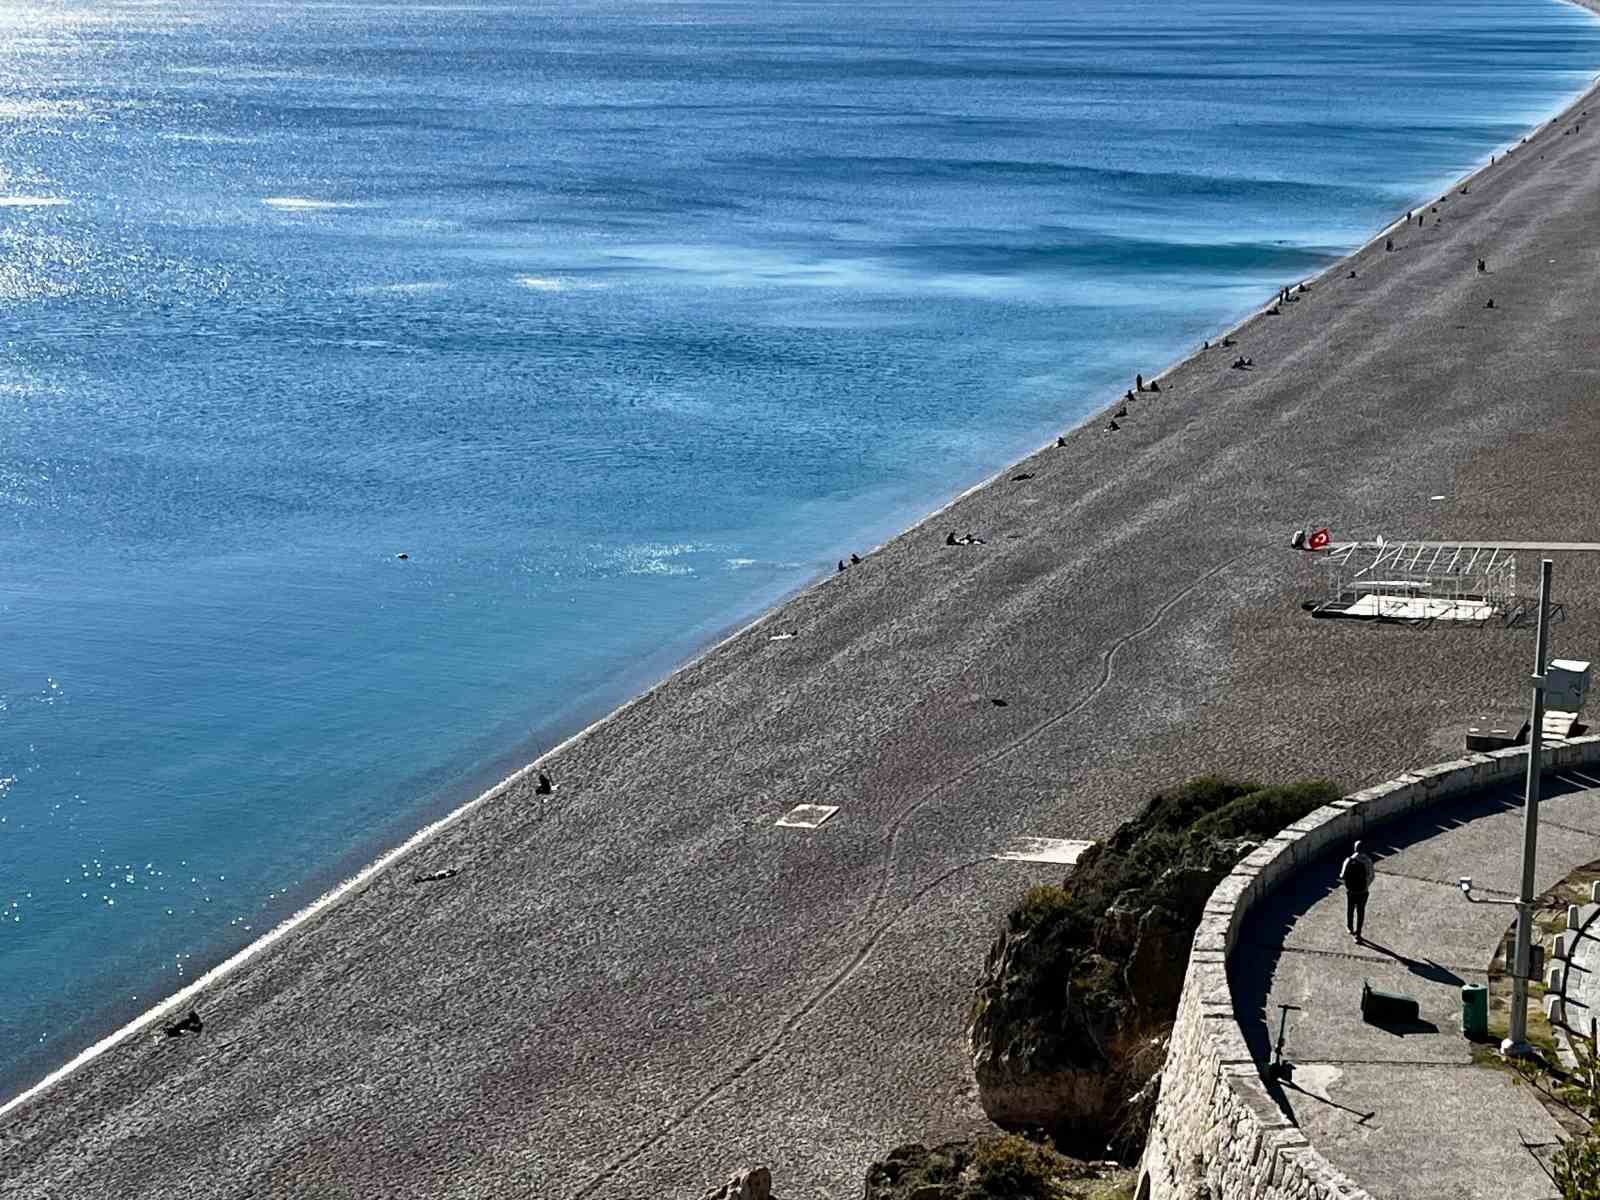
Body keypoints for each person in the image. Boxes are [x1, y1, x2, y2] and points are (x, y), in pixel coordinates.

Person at [1340, 841, 1375, 940]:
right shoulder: (1367, 861)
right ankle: (1358, 934)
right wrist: (1365, 886)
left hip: (1351, 890)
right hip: (1363, 891)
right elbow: (1371, 876)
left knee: (1350, 908)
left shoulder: (1348, 860)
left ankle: (1350, 927)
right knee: (1360, 911)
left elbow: (1342, 876)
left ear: (1355, 849)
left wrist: (1348, 886)